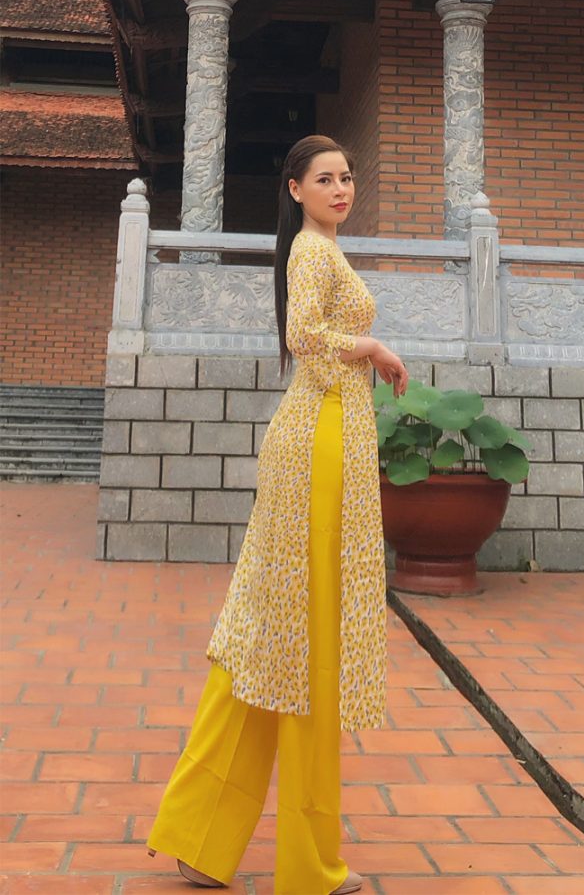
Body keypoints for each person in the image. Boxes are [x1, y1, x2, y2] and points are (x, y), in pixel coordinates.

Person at [145, 134, 409, 894]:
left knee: (273, 637)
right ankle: (308, 863)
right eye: (325, 179)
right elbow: (306, 340)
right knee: (304, 641)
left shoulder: (323, 250)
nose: (341, 188)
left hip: (322, 436)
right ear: (294, 189)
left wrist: (366, 354)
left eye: (347, 177)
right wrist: (373, 344)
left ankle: (201, 838)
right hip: (316, 441)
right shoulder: (312, 253)